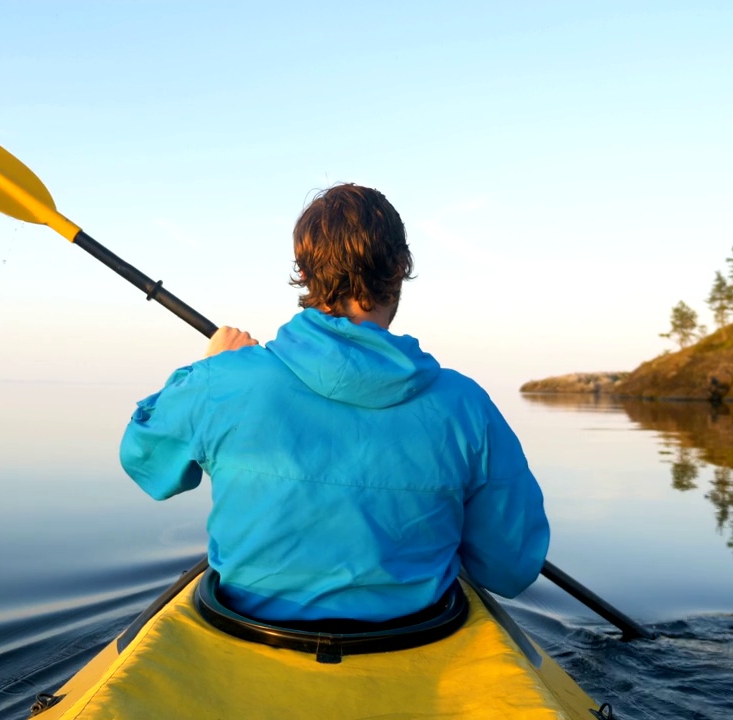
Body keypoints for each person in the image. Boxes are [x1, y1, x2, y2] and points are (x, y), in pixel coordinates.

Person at [119, 184, 549, 624]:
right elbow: (510, 569)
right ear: (400, 266)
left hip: (251, 632)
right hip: (412, 636)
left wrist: (207, 369)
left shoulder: (223, 381)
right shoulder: (467, 406)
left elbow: (144, 461)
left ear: (303, 273)